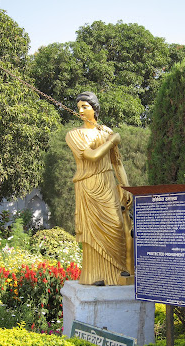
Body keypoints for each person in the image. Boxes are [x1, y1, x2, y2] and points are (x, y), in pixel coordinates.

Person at [66, 91, 133, 286]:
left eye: (85, 106)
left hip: (107, 183)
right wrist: (112, 141)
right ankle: (94, 275)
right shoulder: (74, 135)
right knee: (92, 231)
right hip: (87, 185)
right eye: (78, 107)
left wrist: (127, 188)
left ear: (94, 109)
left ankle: (118, 273)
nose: (80, 110)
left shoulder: (106, 131)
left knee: (117, 226)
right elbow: (92, 156)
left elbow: (117, 163)